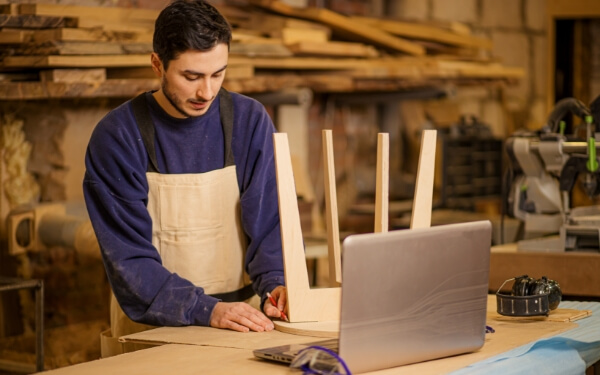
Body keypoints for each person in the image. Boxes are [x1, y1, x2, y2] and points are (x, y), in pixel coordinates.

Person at [83, 0, 287, 356]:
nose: (206, 92)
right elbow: (130, 263)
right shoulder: (117, 137)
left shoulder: (249, 121)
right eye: (191, 77)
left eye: (218, 74)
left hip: (243, 329)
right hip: (150, 336)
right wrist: (207, 311)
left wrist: (277, 285)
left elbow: (270, 227)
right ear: (157, 64)